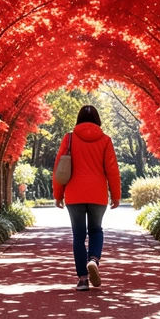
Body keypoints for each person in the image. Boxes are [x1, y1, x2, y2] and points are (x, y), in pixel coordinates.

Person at [53, 105, 121, 291]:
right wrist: (116, 196)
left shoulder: (69, 139)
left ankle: (83, 279)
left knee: (78, 236)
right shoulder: (105, 140)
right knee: (96, 231)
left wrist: (58, 195)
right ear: (98, 120)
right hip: (98, 194)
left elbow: (60, 168)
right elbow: (112, 170)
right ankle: (93, 260)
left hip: (74, 194)